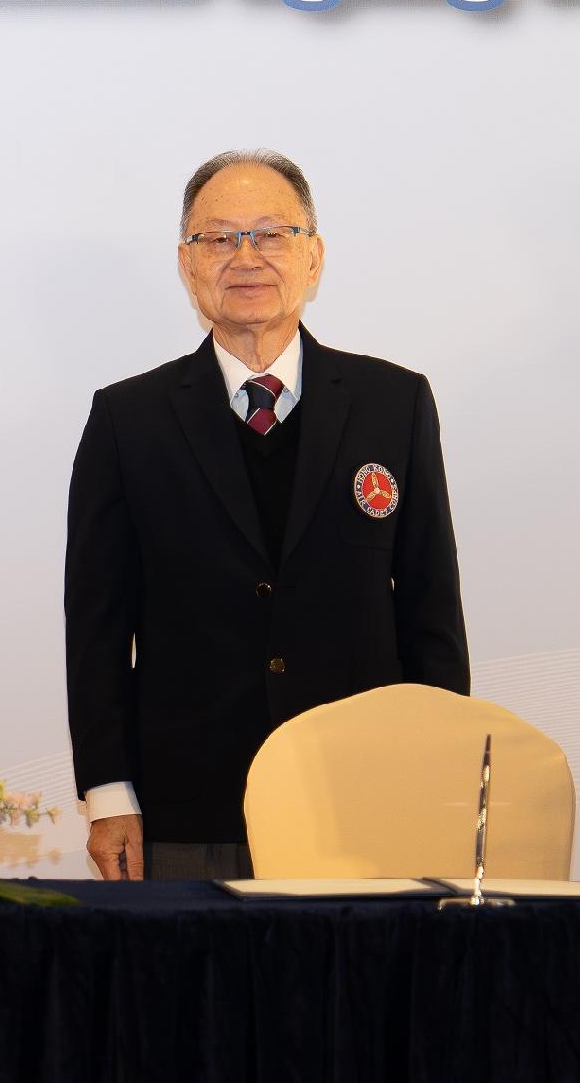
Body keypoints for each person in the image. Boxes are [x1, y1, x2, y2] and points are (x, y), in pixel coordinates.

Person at [64, 151, 471, 881]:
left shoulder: (394, 403)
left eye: (271, 235)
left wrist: (438, 775)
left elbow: (431, 612)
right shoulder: (129, 419)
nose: (244, 258)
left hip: (366, 801)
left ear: (313, 257)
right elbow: (96, 628)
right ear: (188, 266)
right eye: (218, 239)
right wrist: (108, 793)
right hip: (189, 806)